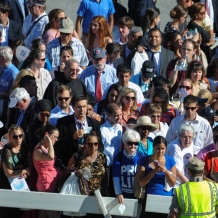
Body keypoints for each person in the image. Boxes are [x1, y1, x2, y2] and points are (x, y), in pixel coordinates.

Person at [55, 94, 103, 166]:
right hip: (71, 164)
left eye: (84, 107)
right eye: (79, 107)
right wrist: (72, 138)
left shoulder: (94, 123)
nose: (82, 110)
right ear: (73, 107)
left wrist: (93, 158)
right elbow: (57, 145)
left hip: (90, 164)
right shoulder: (63, 123)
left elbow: (100, 145)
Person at [138, 136, 176, 217]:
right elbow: (141, 183)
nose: (160, 151)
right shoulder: (144, 160)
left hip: (166, 200)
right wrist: (154, 171)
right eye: (158, 148)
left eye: (163, 149)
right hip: (150, 200)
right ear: (153, 147)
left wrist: (166, 171)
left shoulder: (171, 161)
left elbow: (173, 183)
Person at [0, 125, 31, 218]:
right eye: (15, 136)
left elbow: (30, 163)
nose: (18, 138)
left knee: (20, 212)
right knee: (8, 212)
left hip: (21, 184)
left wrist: (27, 172)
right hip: (7, 185)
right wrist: (24, 170)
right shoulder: (7, 151)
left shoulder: (25, 146)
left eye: (20, 136)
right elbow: (9, 173)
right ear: (10, 137)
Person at [67, 131, 107, 198]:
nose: (93, 146)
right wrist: (77, 171)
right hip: (81, 194)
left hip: (99, 194)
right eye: (90, 144)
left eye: (95, 144)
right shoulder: (77, 156)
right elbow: (68, 171)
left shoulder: (102, 157)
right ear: (85, 144)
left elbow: (105, 177)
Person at [33, 125, 60, 218]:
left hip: (51, 185)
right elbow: (50, 157)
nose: (56, 140)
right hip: (46, 187)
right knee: (53, 215)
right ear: (47, 135)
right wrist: (49, 142)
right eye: (55, 137)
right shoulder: (38, 150)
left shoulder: (47, 147)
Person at [112, 129, 142, 204]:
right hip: (123, 197)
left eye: (136, 143)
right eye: (130, 143)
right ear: (124, 143)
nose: (133, 146)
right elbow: (116, 177)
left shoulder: (141, 156)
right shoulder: (118, 157)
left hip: (137, 196)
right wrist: (118, 193)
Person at [101, 103, 122, 195]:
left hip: (117, 164)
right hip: (107, 165)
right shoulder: (102, 130)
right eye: (116, 115)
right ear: (109, 115)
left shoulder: (119, 128)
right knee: (107, 189)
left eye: (120, 115)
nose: (119, 117)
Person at [0, 46, 19, 121]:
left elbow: (15, 95)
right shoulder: (1, 68)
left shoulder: (14, 73)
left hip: (5, 108)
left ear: (3, 58)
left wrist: (2, 95)